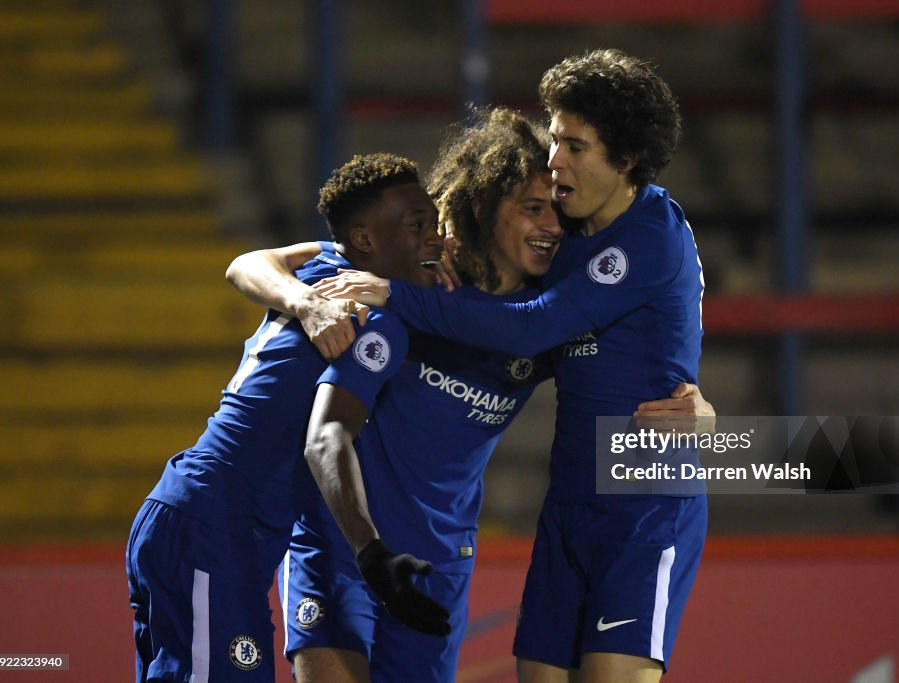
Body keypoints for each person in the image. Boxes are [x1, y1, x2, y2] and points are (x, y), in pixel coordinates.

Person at [227, 107, 713, 683]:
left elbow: (626, 366)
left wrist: (701, 412)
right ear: (482, 207)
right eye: (533, 209)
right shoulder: (411, 278)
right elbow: (257, 262)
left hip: (441, 562)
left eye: (556, 212)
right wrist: (305, 303)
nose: (552, 227)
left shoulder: (550, 318)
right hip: (342, 546)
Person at [125, 153, 447, 683]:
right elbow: (325, 441)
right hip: (216, 526)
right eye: (418, 226)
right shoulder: (374, 321)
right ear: (365, 241)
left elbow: (247, 262)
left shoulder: (322, 262)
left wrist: (301, 299)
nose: (435, 238)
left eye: (434, 223)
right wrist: (372, 554)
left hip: (193, 513)